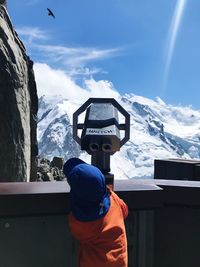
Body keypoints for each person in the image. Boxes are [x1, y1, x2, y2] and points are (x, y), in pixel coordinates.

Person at [63, 157, 128, 267]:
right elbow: (125, 211)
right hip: (119, 262)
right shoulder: (115, 202)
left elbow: (77, 234)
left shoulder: (79, 222)